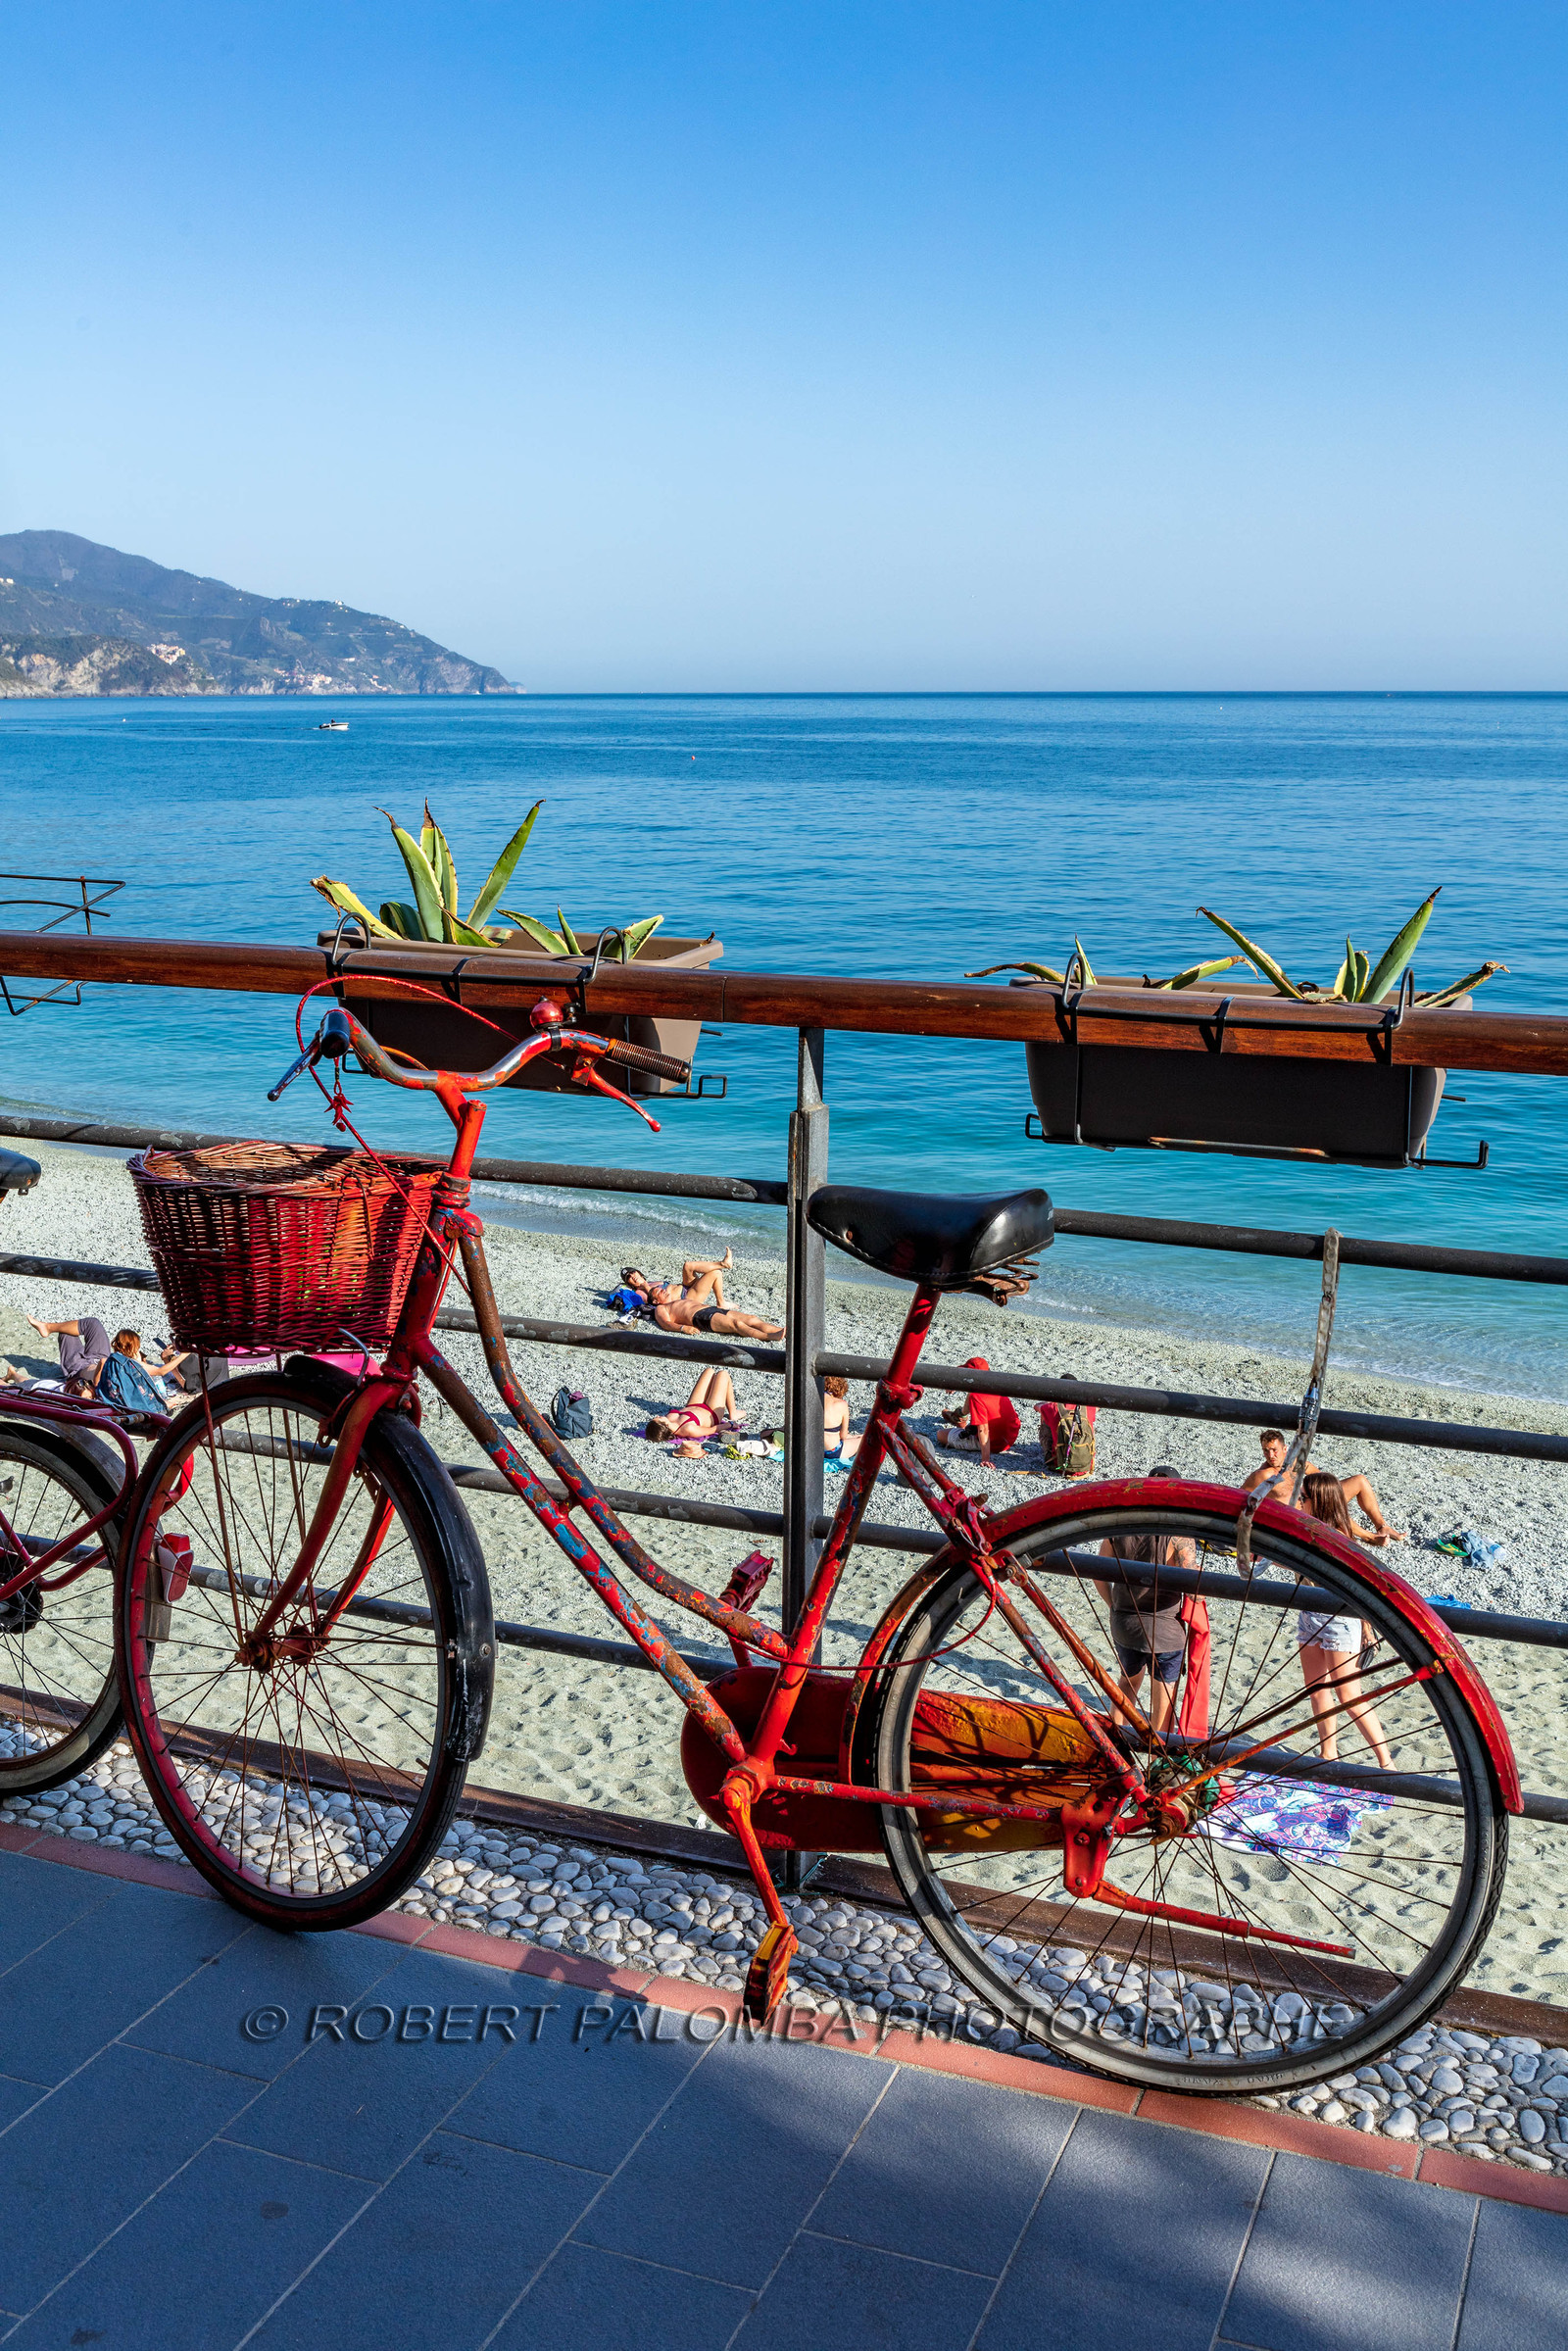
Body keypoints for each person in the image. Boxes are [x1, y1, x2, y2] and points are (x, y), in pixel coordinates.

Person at [1295, 1472, 1395, 1769]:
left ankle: (1386, 1762)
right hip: (1309, 1614)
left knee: (1348, 1693)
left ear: (1319, 1501)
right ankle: (1328, 1752)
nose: (1298, 1502)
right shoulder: (1305, 1528)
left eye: (1304, 1498)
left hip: (1340, 1621)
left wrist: (1366, 1628)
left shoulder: (1338, 1537)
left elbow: (1357, 1586)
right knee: (1317, 1689)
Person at [1095, 1464, 1196, 1737]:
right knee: (1162, 1699)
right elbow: (1194, 1587)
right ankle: (1156, 1760)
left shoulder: (1122, 1523)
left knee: (1127, 1685)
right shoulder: (1179, 1534)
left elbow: (1098, 1572)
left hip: (1125, 1623)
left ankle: (1115, 1748)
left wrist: (1114, 1605)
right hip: (1164, 1628)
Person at [1243, 1428, 1405, 1544]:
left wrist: (1325, 1493)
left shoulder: (1296, 1463)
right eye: (1266, 1451)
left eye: (1274, 1450)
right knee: (1329, 1507)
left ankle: (1382, 1527)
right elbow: (1241, 1496)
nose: (1270, 1455)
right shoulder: (1263, 1475)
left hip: (1314, 1502)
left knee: (1359, 1481)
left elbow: (1321, 1478)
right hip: (1300, 1515)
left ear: (1285, 1449)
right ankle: (1369, 1537)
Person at [645, 1368, 746, 1458]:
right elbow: (712, 1430)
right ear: (665, 1425)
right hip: (712, 1412)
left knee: (709, 1371)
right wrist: (730, 1424)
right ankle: (733, 1412)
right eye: (658, 1418)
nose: (658, 1416)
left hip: (693, 1404)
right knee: (722, 1375)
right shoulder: (688, 1429)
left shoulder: (669, 1419)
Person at [936, 1357, 1020, 1463]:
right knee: (972, 1394)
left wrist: (986, 1459)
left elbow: (983, 1430)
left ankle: (960, 1417)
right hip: (1010, 1437)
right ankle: (960, 1416)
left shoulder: (976, 1397)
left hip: (995, 1444)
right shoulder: (997, 1385)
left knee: (940, 1434)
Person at [24, 1312, 112, 1396]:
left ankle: (47, 1328)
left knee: (65, 1333)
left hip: (79, 1369)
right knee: (93, 1324)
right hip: (99, 1357)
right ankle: (47, 1327)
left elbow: (97, 1381)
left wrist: (103, 1365)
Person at [112, 1329, 191, 1399]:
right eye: (137, 1348)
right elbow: (161, 1371)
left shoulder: (115, 1358)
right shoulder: (130, 1362)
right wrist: (183, 1355)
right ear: (132, 1347)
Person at [822, 1374, 858, 1461]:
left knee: (853, 1437)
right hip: (831, 1451)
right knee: (863, 1439)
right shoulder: (841, 1404)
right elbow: (843, 1436)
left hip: (811, 1448)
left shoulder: (812, 1398)